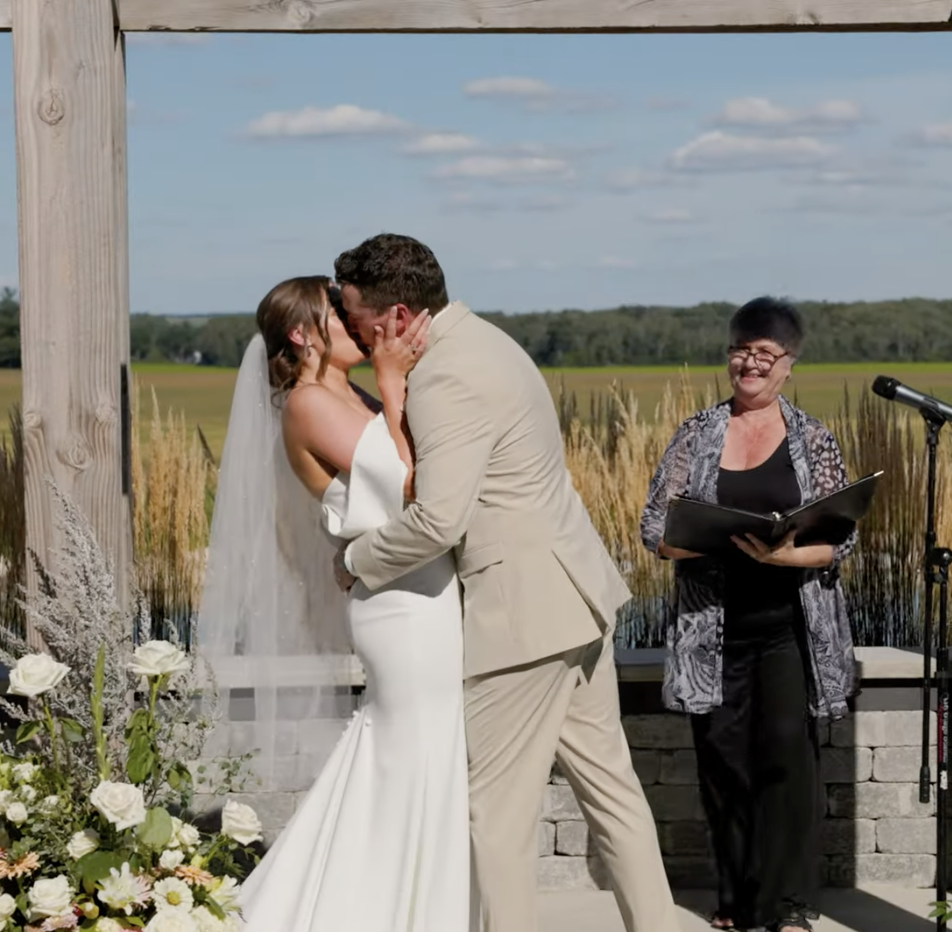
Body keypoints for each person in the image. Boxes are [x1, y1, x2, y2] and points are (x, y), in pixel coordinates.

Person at [331, 233, 680, 932]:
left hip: (522, 618)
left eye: (358, 321)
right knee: (612, 794)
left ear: (397, 316)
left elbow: (438, 519)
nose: (354, 335)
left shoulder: (447, 375)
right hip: (574, 596)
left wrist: (355, 561)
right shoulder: (487, 342)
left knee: (494, 815)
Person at [198, 274, 470, 932]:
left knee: (417, 755)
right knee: (410, 753)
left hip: (425, 589)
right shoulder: (306, 405)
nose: (361, 327)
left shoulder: (346, 392)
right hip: (400, 605)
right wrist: (395, 379)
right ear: (303, 333)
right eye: (343, 320)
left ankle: (413, 903)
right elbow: (410, 486)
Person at [637, 297, 860, 932]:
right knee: (723, 762)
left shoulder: (813, 438)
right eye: (742, 350)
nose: (750, 363)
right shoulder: (695, 433)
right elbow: (656, 525)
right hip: (712, 631)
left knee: (788, 761)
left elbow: (841, 538)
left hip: (789, 627)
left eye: (765, 354)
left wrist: (786, 555)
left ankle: (787, 904)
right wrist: (698, 538)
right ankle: (735, 900)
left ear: (789, 364)